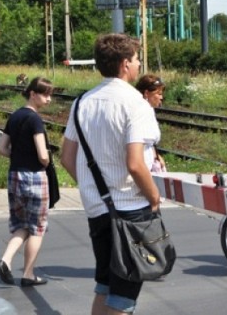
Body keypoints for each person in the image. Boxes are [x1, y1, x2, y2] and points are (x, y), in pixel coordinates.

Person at [60, 34, 162, 315]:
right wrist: (153, 197)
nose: (139, 64)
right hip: (130, 208)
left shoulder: (82, 102)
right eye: (137, 59)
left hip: (97, 209)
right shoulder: (135, 103)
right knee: (124, 295)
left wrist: (94, 188)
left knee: (105, 285)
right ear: (124, 63)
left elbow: (66, 157)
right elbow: (135, 164)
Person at [0, 77, 54, 287]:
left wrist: (19, 154)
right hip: (35, 177)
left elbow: (2, 148)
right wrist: (46, 158)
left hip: (15, 176)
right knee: (37, 227)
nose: (48, 99)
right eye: (45, 94)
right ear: (32, 93)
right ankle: (28, 274)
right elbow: (43, 156)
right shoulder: (34, 119)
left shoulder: (15, 116)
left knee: (22, 224)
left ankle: (5, 260)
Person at [135, 74, 166, 173]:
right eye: (159, 94)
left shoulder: (149, 109)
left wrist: (156, 155)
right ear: (146, 93)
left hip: (149, 162)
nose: (161, 97)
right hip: (143, 166)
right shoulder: (141, 112)